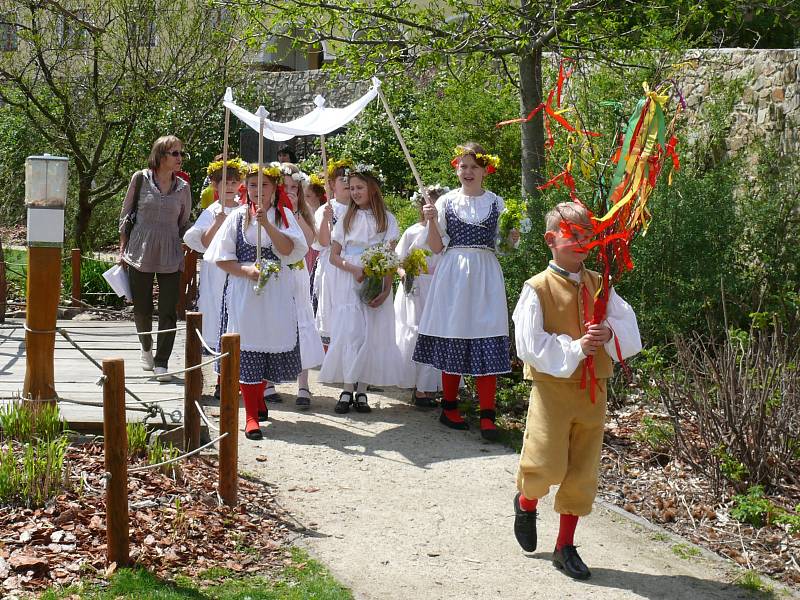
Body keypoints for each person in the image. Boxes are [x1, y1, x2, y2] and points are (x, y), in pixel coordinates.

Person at [511, 201, 642, 580]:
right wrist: (574, 348)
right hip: (553, 387)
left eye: (588, 235)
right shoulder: (536, 287)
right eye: (574, 235)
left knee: (583, 468)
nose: (583, 242)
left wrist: (607, 335)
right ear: (552, 240)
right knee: (546, 461)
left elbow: (627, 331)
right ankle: (526, 500)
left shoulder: (602, 284)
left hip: (592, 388)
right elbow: (529, 343)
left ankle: (565, 545)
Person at [413, 142, 518, 440]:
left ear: (486, 170)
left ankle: (487, 414)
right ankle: (449, 406)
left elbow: (506, 249)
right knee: (455, 331)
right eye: (463, 165)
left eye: (474, 166)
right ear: (457, 169)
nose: (468, 171)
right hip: (453, 272)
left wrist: (512, 234)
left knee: (486, 330)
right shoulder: (445, 202)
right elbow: (435, 247)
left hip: (485, 271)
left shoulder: (497, 204)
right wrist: (431, 221)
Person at [205, 163, 308, 440]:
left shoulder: (284, 216)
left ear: (274, 188)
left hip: (275, 291)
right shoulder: (237, 217)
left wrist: (266, 225)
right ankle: (251, 414)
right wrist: (246, 271)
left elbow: (290, 251)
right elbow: (222, 258)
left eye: (263, 185)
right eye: (252, 185)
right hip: (244, 290)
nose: (257, 190)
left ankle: (260, 399)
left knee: (269, 345)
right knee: (248, 347)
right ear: (246, 189)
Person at [318, 167, 409, 413]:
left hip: (375, 277)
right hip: (350, 280)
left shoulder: (387, 220)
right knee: (352, 333)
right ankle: (347, 388)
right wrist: (353, 269)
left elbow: (390, 256)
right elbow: (334, 256)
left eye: (360, 187)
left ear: (372, 188)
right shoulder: (346, 218)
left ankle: (362, 391)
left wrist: (386, 286)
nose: (355, 192)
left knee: (371, 333)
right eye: (351, 188)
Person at [119, 135, 192, 381]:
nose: (180, 158)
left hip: (170, 251)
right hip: (140, 251)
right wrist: (122, 249)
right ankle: (146, 347)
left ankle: (162, 362)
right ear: (160, 155)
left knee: (168, 309)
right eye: (175, 153)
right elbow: (126, 215)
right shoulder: (139, 179)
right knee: (142, 308)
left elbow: (184, 222)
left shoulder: (184, 188)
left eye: (181, 153)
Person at [183, 157, 247, 395]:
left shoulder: (244, 208)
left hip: (238, 268)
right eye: (225, 182)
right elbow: (205, 243)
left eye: (233, 182)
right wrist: (218, 222)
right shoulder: (213, 211)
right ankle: (221, 379)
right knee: (219, 318)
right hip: (217, 272)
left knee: (238, 317)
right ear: (215, 185)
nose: (230, 187)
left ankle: (240, 376)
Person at [394, 184, 449, 407]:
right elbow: (398, 259)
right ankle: (418, 386)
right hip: (417, 286)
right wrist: (405, 274)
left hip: (438, 286)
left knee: (436, 332)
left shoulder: (446, 232)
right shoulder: (413, 231)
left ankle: (432, 385)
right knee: (415, 331)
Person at [277, 162, 325, 408]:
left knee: (301, 323)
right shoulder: (270, 211)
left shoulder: (302, 212)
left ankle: (303, 384)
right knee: (274, 321)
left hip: (297, 271)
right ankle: (268, 383)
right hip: (275, 272)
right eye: (285, 187)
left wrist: (295, 209)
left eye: (293, 187)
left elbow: (308, 240)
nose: (289, 191)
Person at [312, 158, 352, 346]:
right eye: (342, 179)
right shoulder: (326, 209)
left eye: (349, 179)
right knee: (330, 312)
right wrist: (326, 220)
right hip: (332, 268)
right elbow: (323, 241)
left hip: (353, 264)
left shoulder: (360, 208)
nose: (346, 182)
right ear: (331, 185)